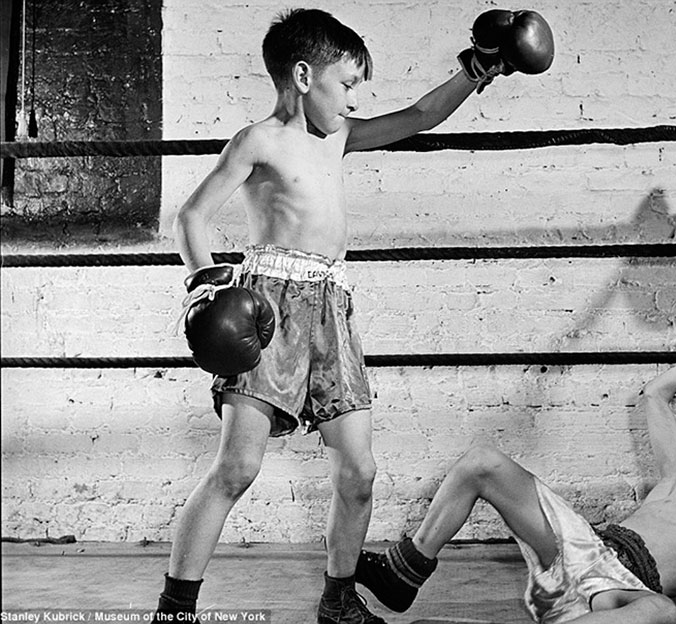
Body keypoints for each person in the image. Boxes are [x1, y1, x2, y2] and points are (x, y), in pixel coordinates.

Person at [158, 7, 554, 624]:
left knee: (360, 471)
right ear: (301, 75)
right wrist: (209, 288)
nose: (352, 100)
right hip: (270, 305)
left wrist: (475, 72)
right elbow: (192, 218)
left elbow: (418, 118)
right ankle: (175, 609)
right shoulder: (258, 140)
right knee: (236, 468)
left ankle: (338, 601)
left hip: (332, 307)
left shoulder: (338, 134)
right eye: (345, 85)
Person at [355, 318, 676, 623]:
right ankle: (405, 571)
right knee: (482, 461)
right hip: (582, 548)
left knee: (662, 613)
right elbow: (655, 396)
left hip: (621, 593)